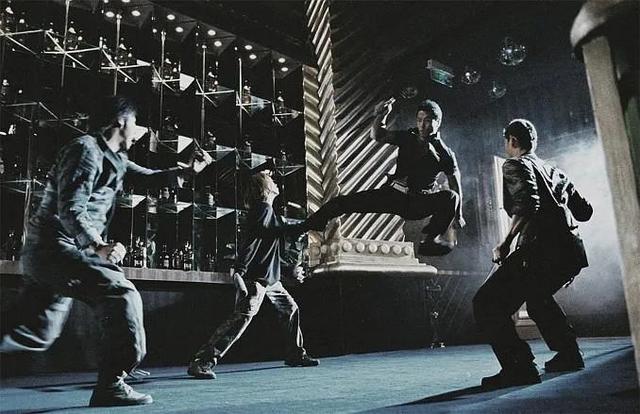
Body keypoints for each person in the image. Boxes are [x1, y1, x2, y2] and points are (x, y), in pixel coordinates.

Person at [0, 95, 211, 406]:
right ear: (121, 121)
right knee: (121, 294)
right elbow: (71, 208)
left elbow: (149, 178)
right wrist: (97, 245)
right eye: (135, 123)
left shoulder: (114, 158)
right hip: (57, 249)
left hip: (52, 253)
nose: (138, 132)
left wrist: (190, 172)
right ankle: (111, 384)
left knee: (36, 332)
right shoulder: (85, 149)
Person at [473, 119, 593, 389]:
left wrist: (505, 243)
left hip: (542, 250)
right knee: (537, 298)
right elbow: (585, 212)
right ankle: (569, 354)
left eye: (507, 142)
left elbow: (527, 204)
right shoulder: (556, 172)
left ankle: (519, 367)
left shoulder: (515, 164)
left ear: (512, 141)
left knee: (486, 303)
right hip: (571, 252)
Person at [187, 171, 319, 379]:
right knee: (242, 318)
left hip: (269, 279)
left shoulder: (269, 213)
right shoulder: (263, 210)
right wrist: (239, 271)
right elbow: (252, 241)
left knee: (290, 309)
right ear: (265, 189)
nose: (275, 181)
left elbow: (272, 245)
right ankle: (202, 361)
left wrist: (287, 268)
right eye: (271, 180)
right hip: (256, 278)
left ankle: (295, 354)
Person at [306, 98, 464, 256]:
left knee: (451, 197)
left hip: (418, 203)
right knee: (344, 202)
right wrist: (381, 115)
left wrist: (458, 215)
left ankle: (430, 241)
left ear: (438, 122)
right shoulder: (408, 137)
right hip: (394, 196)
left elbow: (455, 185)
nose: (422, 125)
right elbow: (378, 135)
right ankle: (309, 225)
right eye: (419, 120)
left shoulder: (445, 154)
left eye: (428, 121)